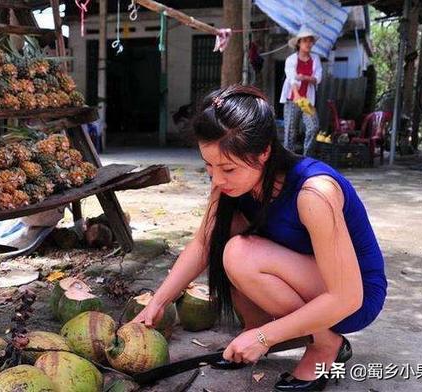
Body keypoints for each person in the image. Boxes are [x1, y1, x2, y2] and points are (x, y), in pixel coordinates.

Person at [133, 85, 386, 391]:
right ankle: (266, 330)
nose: (217, 178)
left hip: (352, 297)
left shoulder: (314, 192)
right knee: (226, 243)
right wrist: (158, 302)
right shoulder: (232, 185)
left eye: (227, 167)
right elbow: (202, 244)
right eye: (209, 166)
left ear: (264, 150)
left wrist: (265, 337)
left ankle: (325, 345)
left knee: (239, 253)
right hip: (309, 279)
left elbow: (347, 297)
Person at [280, 29, 323, 156]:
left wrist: (304, 78)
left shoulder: (315, 59)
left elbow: (318, 79)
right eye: (305, 41)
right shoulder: (291, 59)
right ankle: (289, 162)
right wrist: (296, 94)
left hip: (307, 100)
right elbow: (292, 78)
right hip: (292, 99)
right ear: (298, 43)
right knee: (290, 132)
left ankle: (306, 157)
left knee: (313, 126)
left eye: (310, 41)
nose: (308, 44)